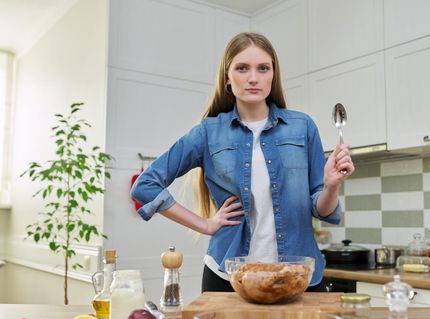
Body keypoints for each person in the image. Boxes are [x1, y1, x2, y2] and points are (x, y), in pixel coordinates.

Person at [131, 32, 354, 292]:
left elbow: (323, 209)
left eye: (263, 68)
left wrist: (330, 186)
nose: (253, 78)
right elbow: (145, 186)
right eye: (242, 68)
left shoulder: (302, 127)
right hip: (228, 276)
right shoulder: (208, 132)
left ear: (273, 75)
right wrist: (204, 224)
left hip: (297, 276)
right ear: (227, 77)